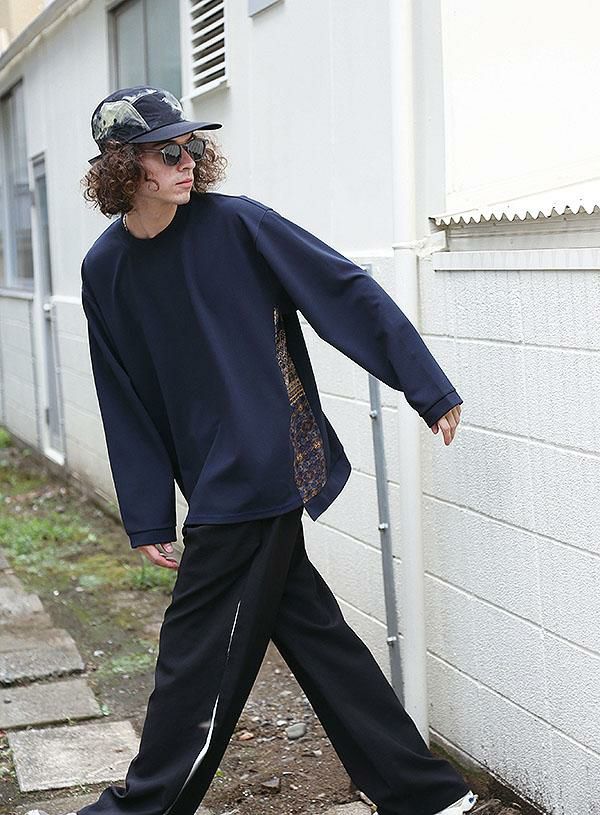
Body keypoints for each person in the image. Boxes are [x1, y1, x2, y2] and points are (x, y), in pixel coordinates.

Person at [27, 86, 477, 815]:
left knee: (194, 659)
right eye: (168, 151)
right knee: (314, 635)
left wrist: (424, 385)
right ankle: (426, 794)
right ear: (122, 167)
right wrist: (147, 511)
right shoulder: (104, 267)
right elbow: (121, 393)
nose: (188, 160)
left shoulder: (237, 224)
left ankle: (139, 809)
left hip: (264, 462)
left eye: (192, 146)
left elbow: (342, 290)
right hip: (212, 475)